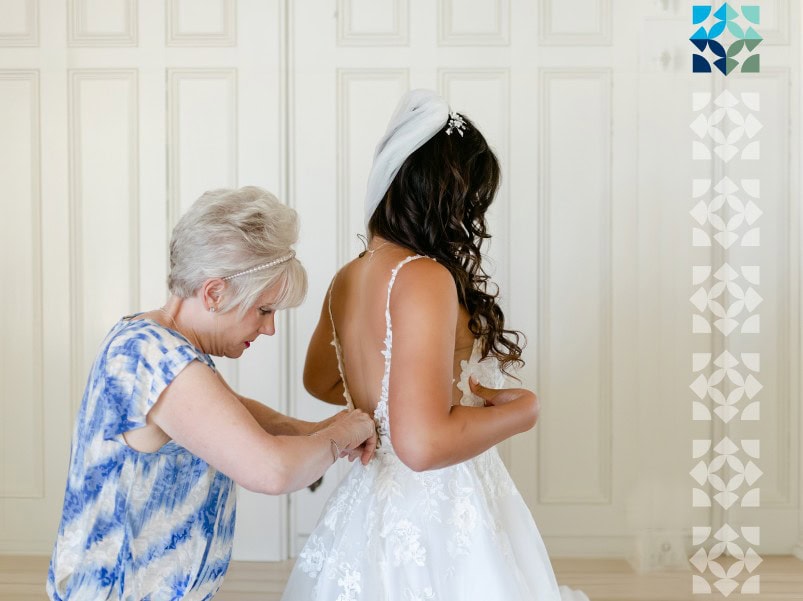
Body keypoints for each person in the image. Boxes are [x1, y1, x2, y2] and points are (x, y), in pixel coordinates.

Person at [281, 91, 589, 600]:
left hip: (372, 500)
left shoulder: (347, 278)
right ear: (439, 193)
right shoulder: (422, 277)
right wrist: (522, 412)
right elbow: (422, 446)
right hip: (436, 506)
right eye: (468, 198)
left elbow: (319, 379)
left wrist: (384, 407)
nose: (470, 213)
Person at [47, 186, 378, 601]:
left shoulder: (151, 339)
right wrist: (345, 431)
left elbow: (231, 411)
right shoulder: (160, 359)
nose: (270, 328)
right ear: (215, 293)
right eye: (263, 310)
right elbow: (272, 471)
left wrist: (311, 428)